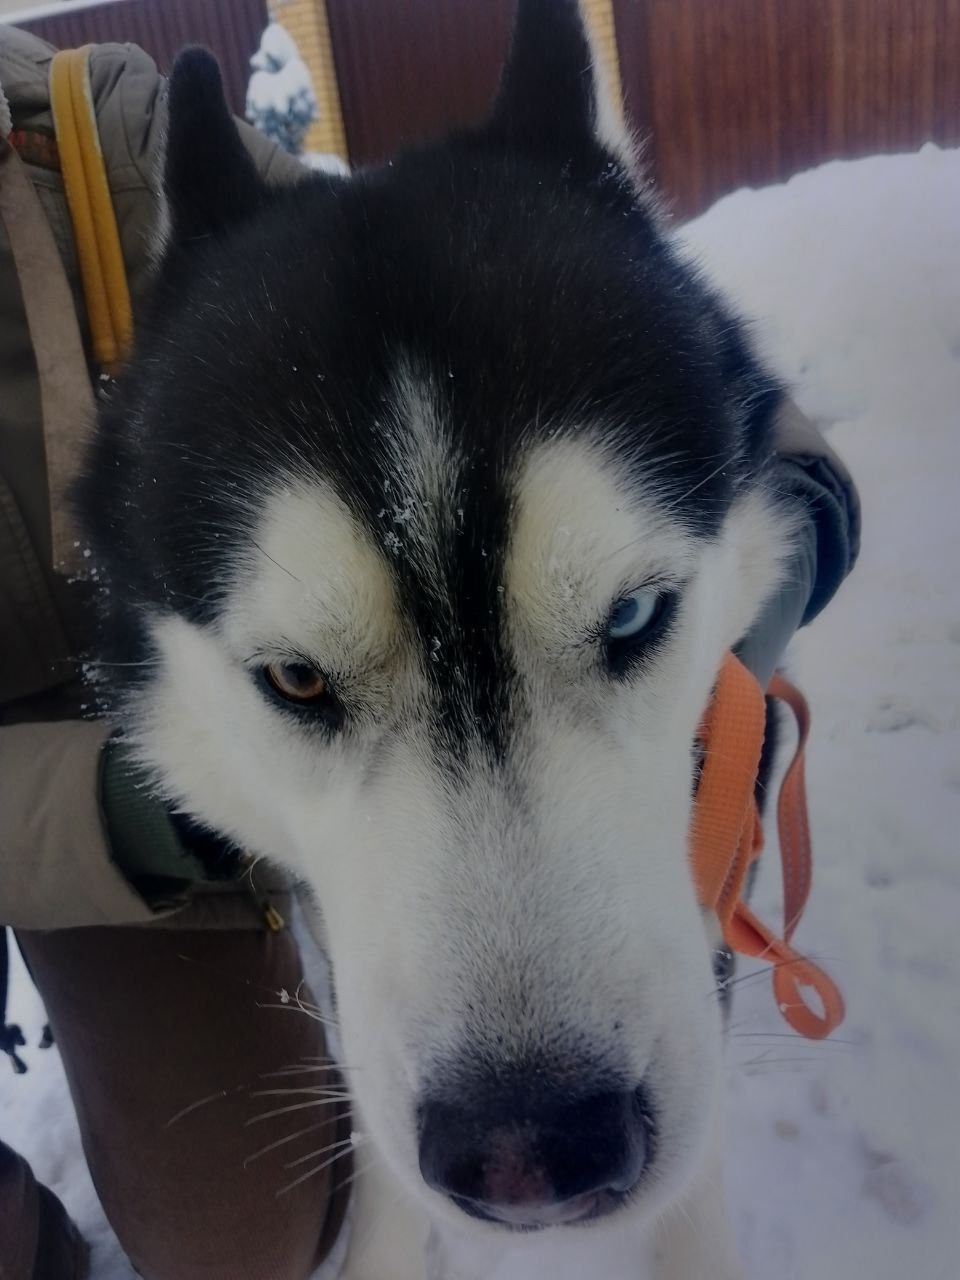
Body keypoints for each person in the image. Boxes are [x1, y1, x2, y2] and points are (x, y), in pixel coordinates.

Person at [0, 23, 859, 1280]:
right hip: (58, 794)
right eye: (301, 674)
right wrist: (122, 816)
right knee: (234, 1242)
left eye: (627, 614)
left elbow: (437, 278)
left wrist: (784, 560)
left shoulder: (88, 142)